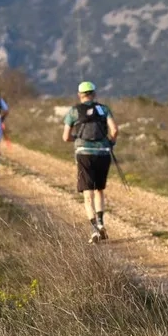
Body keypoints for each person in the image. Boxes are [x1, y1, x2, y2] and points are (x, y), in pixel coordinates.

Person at [62, 81, 119, 243]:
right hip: (103, 153)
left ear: (80, 95)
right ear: (94, 94)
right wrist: (110, 142)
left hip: (84, 154)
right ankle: (101, 223)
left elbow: (65, 137)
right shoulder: (103, 109)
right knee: (99, 190)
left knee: (88, 193)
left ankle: (94, 230)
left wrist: (77, 139)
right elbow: (115, 130)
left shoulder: (74, 111)